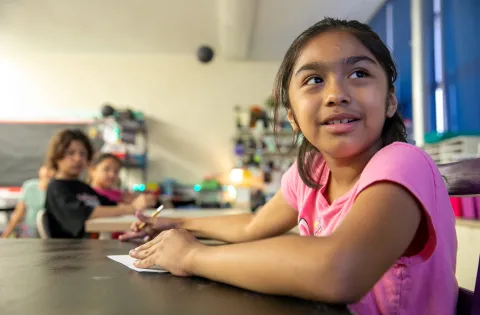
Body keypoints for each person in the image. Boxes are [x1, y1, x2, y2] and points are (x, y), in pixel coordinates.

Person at [122, 18, 458, 315]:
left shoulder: (403, 161)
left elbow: (339, 269)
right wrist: (174, 223)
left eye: (359, 73)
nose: (336, 94)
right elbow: (253, 226)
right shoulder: (311, 172)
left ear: (389, 101)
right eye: (314, 80)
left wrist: (191, 257)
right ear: (292, 117)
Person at [45, 129, 157, 239]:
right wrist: (132, 208)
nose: (78, 158)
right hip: (70, 251)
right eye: (70, 153)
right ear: (56, 156)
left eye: (83, 153)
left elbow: (110, 205)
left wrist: (139, 202)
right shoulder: (56, 188)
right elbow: (87, 213)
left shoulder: (82, 187)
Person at [1, 165, 54, 238]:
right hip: (30, 230)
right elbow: (18, 213)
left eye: (51, 169)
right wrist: (5, 235)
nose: (47, 172)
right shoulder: (29, 186)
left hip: (50, 231)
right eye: (45, 168)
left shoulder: (57, 190)